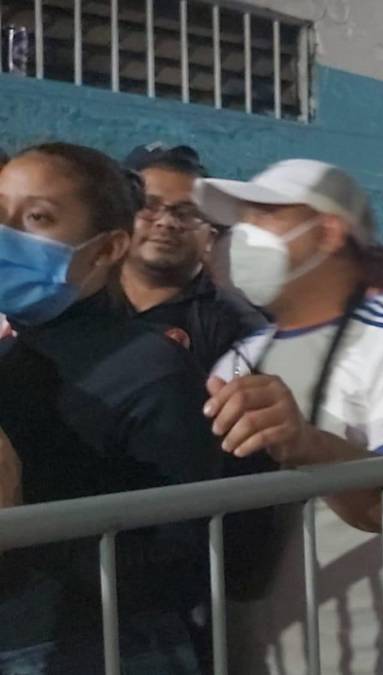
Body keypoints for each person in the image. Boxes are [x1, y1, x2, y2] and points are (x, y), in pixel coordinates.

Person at [194, 158, 383, 673]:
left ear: (327, 232)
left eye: (265, 218)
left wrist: (308, 445)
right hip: (248, 653)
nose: (244, 238)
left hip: (365, 655)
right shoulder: (241, 357)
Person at [0, 142, 222, 672]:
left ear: (106, 250)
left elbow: (187, 559)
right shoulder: (13, 353)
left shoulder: (152, 369)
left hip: (106, 649)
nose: (7, 234)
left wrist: (22, 521)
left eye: (36, 217)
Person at [119, 143, 266, 372]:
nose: (166, 222)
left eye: (186, 212)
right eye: (149, 205)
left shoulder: (237, 328)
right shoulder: (78, 297)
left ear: (210, 236)